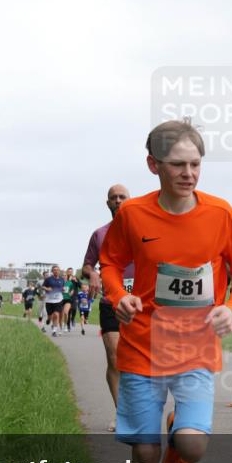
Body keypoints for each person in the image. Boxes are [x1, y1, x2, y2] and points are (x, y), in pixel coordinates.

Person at [101, 120, 232, 463]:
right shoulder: (133, 216)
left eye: (195, 164)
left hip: (195, 348)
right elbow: (110, 261)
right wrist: (117, 296)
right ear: (154, 166)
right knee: (144, 452)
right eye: (178, 165)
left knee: (190, 446)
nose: (189, 173)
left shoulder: (220, 213)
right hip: (142, 348)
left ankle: (179, 435)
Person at [82, 183, 132, 432]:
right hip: (110, 302)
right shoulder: (99, 234)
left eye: (122, 196)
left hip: (141, 302)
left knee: (142, 361)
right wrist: (92, 274)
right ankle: (122, 414)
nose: (118, 200)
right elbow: (87, 265)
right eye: (114, 197)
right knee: (114, 358)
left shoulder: (143, 229)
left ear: (130, 200)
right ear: (107, 203)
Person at [42, 266, 66, 337]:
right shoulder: (48, 279)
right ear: (52, 271)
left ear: (59, 271)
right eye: (54, 270)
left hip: (58, 300)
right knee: (50, 316)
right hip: (49, 300)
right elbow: (43, 286)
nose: (56, 271)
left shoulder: (62, 279)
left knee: (56, 314)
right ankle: (48, 319)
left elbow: (63, 287)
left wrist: (63, 289)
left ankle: (54, 331)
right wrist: (47, 288)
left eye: (57, 270)